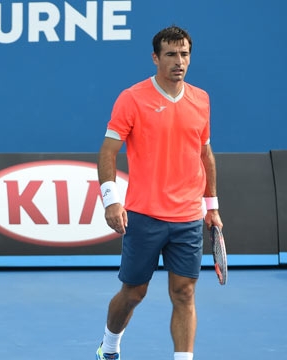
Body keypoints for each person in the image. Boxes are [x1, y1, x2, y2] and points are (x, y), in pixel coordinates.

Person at [94, 25, 222, 360]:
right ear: (155, 58)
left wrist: (212, 207)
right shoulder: (132, 98)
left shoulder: (202, 99)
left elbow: (205, 153)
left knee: (185, 293)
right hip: (144, 214)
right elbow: (108, 151)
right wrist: (111, 200)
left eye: (184, 54)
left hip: (189, 218)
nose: (179, 61)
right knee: (134, 292)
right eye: (170, 55)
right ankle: (109, 346)